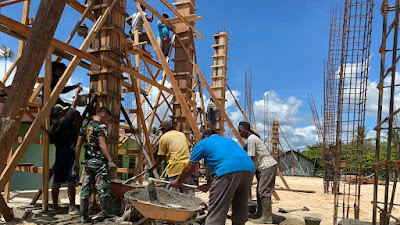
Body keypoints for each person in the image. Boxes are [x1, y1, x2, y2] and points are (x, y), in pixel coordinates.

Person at [170, 130, 255, 225]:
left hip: (227, 169)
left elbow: (190, 168)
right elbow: (222, 165)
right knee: (240, 205)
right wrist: (208, 185)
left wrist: (178, 181)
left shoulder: (202, 143)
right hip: (249, 169)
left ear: (205, 136)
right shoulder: (230, 141)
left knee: (217, 208)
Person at [74, 107, 117, 223]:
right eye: (107, 119)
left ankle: (84, 216)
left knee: (85, 188)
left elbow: (78, 146)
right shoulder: (100, 127)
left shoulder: (84, 127)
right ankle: (108, 216)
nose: (107, 122)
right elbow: (102, 145)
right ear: (102, 115)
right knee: (103, 188)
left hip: (88, 163)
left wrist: (76, 162)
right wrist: (110, 160)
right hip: (99, 163)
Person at [49, 87, 82, 214]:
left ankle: (55, 207)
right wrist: (77, 93)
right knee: (71, 181)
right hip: (69, 155)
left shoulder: (52, 128)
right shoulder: (65, 120)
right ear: (60, 114)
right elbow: (73, 107)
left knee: (57, 181)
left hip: (59, 154)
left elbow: (53, 141)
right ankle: (72, 207)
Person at [238, 121, 277, 224]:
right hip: (262, 167)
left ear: (246, 129)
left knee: (264, 190)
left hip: (266, 166)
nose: (240, 133)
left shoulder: (251, 139)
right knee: (260, 190)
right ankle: (260, 213)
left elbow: (250, 157)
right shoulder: (252, 139)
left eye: (240, 130)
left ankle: (267, 217)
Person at [147, 121, 195, 196]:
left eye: (162, 130)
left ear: (165, 129)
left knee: (171, 193)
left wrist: (152, 168)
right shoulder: (181, 134)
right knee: (188, 190)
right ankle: (193, 205)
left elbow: (161, 157)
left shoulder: (164, 137)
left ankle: (170, 206)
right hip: (187, 166)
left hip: (174, 166)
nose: (162, 132)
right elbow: (188, 147)